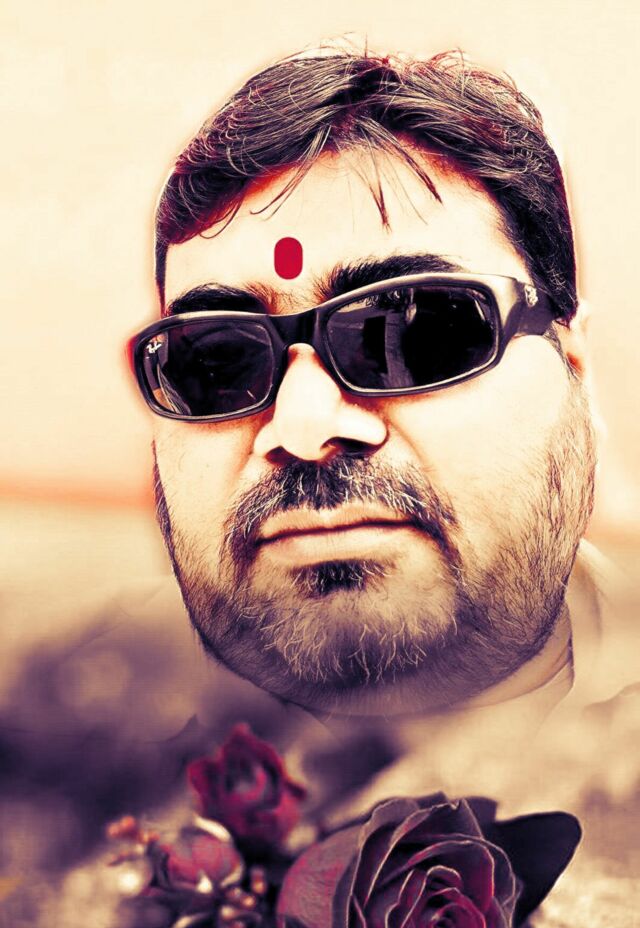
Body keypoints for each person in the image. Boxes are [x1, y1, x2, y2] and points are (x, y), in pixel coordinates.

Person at [3, 47, 636, 870]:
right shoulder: (56, 744)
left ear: (573, 369)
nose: (301, 428)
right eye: (216, 361)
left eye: (414, 332)